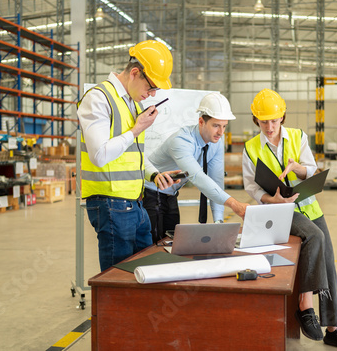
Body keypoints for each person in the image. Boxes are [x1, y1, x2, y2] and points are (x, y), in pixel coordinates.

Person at [242, 89, 337, 351]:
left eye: (274, 120)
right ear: (256, 120)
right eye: (264, 121)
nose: (270, 126)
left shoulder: (297, 136)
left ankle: (334, 328)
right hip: (278, 210)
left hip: (308, 207)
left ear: (282, 117)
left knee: (328, 262)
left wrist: (297, 168)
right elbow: (251, 186)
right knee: (314, 237)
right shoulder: (251, 148)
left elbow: (311, 169)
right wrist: (273, 200)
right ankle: (305, 306)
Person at [77, 40, 177, 271]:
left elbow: (132, 154)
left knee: (143, 270)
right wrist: (136, 130)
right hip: (110, 203)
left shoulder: (132, 103)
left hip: (135, 203)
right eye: (151, 87)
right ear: (134, 73)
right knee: (118, 276)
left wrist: (154, 175)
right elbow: (100, 155)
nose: (151, 94)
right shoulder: (99, 98)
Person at [143, 92, 250, 243]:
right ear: (201, 122)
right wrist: (234, 204)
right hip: (150, 194)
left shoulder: (217, 142)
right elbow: (197, 177)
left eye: (224, 126)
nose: (221, 132)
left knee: (171, 245)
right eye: (216, 126)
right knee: (153, 247)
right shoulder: (181, 141)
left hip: (170, 195)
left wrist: (219, 222)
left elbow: (216, 180)